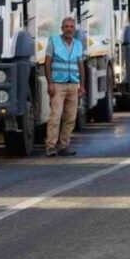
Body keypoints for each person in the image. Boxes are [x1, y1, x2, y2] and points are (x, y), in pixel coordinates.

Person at [43, 16, 85, 157]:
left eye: (71, 27)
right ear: (62, 28)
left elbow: (81, 65)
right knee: (55, 116)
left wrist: (82, 86)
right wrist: (50, 83)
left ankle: (64, 145)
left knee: (70, 117)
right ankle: (50, 146)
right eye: (66, 26)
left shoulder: (78, 44)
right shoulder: (54, 41)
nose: (69, 29)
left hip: (73, 85)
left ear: (74, 29)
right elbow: (47, 63)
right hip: (58, 85)